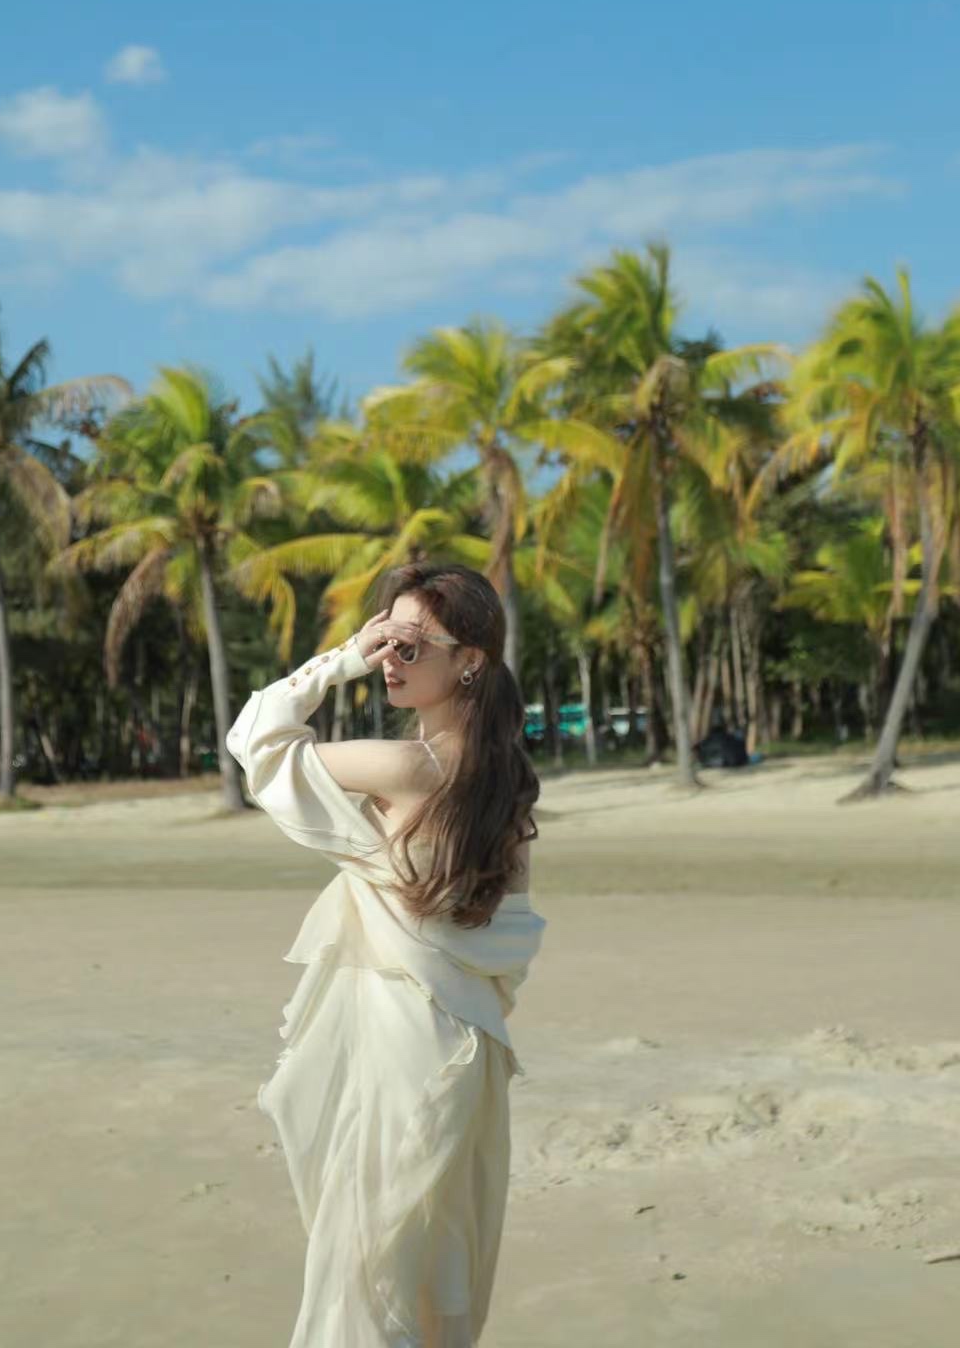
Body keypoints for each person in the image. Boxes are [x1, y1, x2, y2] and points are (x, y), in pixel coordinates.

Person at [226, 563, 546, 1348]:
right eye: (381, 641)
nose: (387, 660)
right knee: (426, 1251)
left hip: (403, 1038)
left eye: (407, 645)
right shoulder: (501, 779)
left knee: (366, 1263)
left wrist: (339, 661)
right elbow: (506, 938)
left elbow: (257, 740)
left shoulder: (410, 767)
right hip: (464, 1041)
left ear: (469, 661)